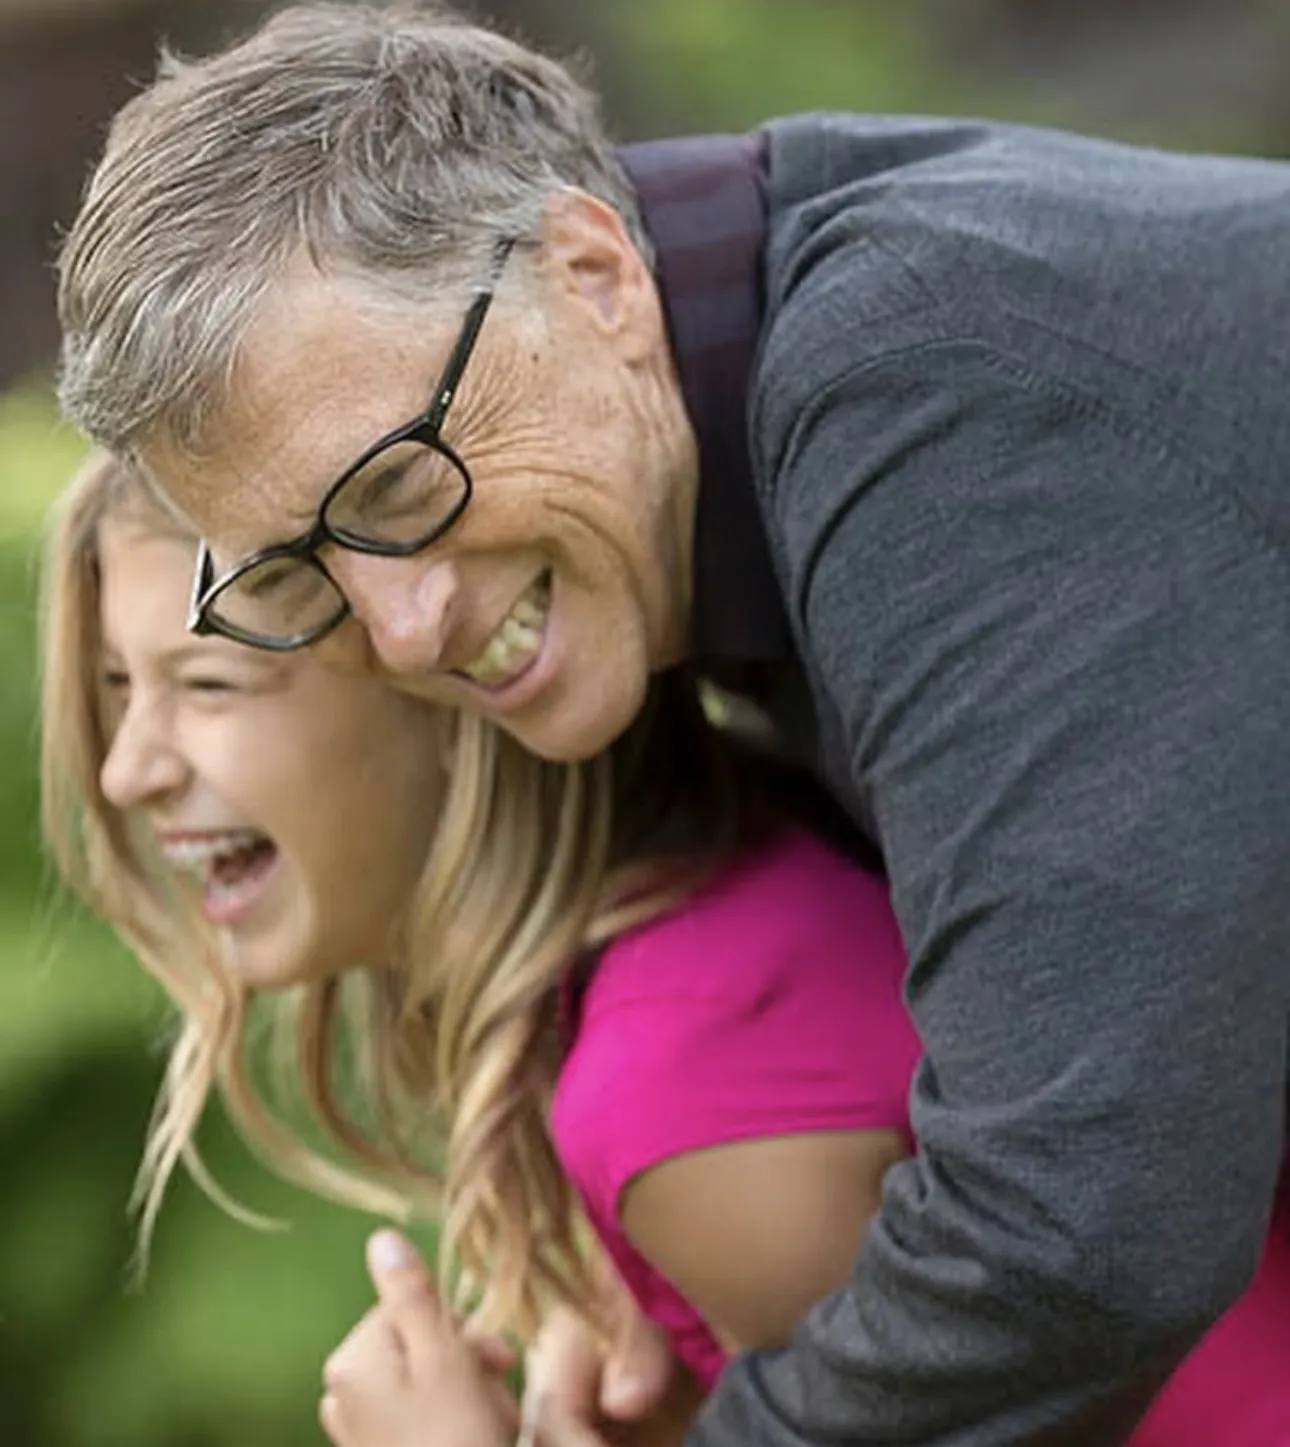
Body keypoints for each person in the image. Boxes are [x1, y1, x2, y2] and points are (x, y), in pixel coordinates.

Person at [52, 5, 1290, 1443]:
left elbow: (1077, 1233)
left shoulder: (926, 394)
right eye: (296, 572)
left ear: (590, 278)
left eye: (398, 486)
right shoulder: (769, 389)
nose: (398, 631)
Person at [43, 455, 1290, 1447]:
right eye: (115, 689)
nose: (127, 767)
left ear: (435, 700)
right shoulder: (686, 953)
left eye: (208, 685)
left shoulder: (676, 1084)